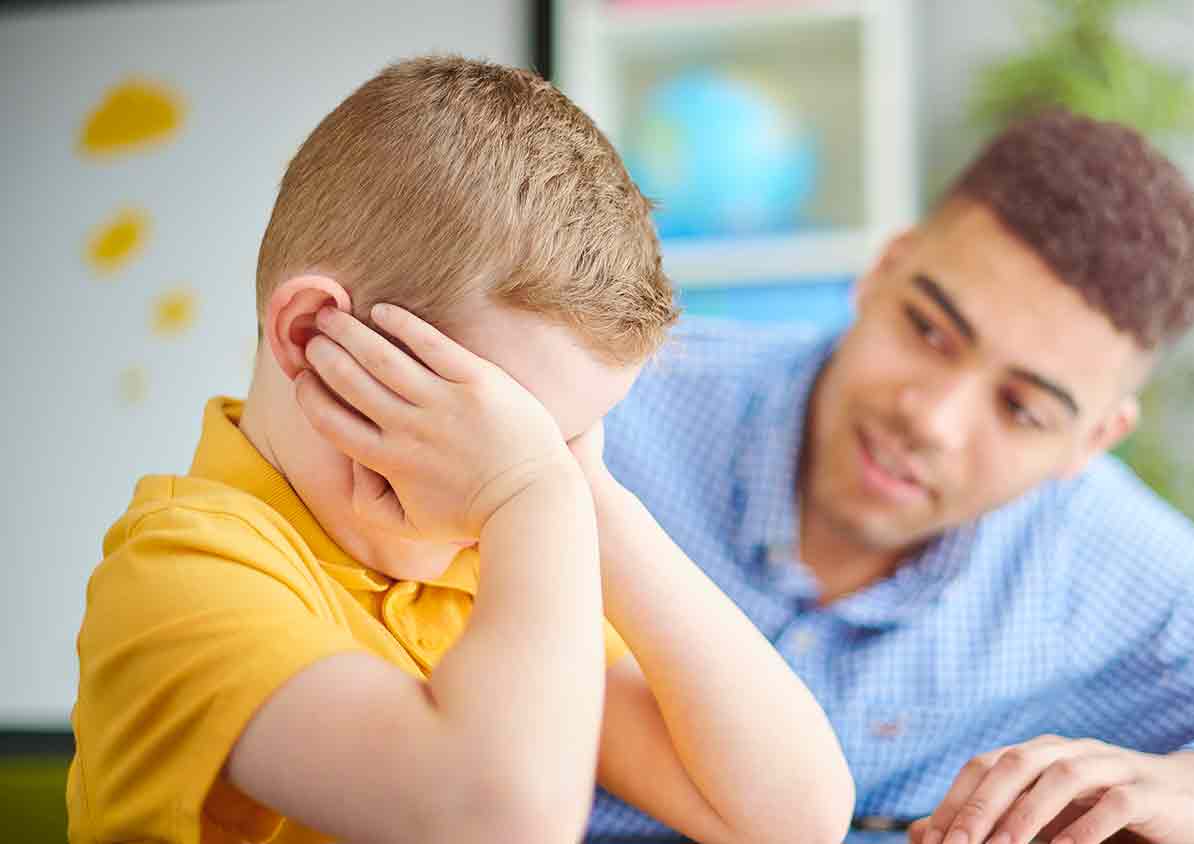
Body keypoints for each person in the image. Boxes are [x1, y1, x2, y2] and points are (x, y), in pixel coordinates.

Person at [588, 110, 1194, 844]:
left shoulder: (1101, 555)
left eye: (1022, 409)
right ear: (884, 267)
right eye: (930, 330)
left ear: (1091, 442)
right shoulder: (611, 406)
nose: (931, 420)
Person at [67, 56, 853, 844]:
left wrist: (589, 497)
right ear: (314, 336)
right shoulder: (178, 578)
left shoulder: (474, 571)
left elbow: (792, 820)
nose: (530, 468)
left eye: (561, 439)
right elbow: (500, 823)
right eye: (492, 427)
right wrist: (530, 496)